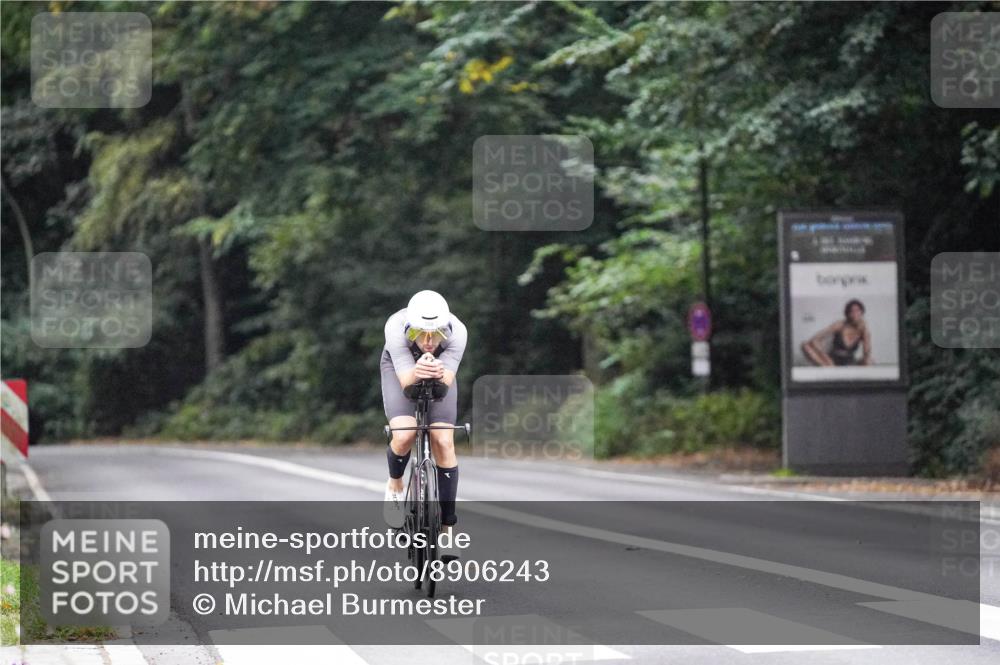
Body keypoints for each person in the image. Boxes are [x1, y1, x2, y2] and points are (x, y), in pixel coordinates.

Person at [380, 290, 467, 561]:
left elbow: (444, 385)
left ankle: (448, 529)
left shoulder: (458, 332)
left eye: (436, 334)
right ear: (409, 328)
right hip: (400, 370)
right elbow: (407, 384)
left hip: (440, 372)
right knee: (404, 434)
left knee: (443, 440)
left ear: (446, 330)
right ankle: (395, 485)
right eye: (420, 333)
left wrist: (437, 373)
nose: (429, 342)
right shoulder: (395, 327)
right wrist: (417, 372)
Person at [801, 299, 873, 367]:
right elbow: (814, 339)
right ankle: (829, 368)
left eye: (857, 310)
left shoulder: (864, 330)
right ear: (847, 314)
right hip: (831, 360)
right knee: (805, 345)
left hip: (849, 361)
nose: (855, 314)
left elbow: (866, 353)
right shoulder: (840, 325)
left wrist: (865, 332)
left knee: (869, 361)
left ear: (862, 312)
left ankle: (831, 369)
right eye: (851, 311)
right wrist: (825, 356)